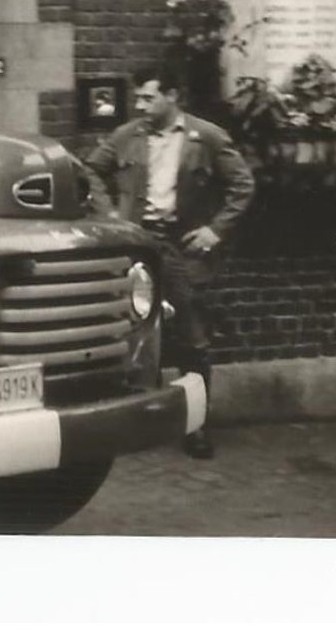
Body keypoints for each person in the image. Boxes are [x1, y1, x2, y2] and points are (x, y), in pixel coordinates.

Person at [83, 65, 255, 460]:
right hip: (136, 245)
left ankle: (196, 426)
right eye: (138, 98)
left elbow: (243, 184)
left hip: (182, 247)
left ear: (173, 96)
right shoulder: (127, 136)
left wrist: (214, 230)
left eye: (149, 97)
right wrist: (110, 215)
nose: (141, 105)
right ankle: (132, 422)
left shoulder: (205, 136)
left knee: (193, 337)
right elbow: (90, 169)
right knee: (129, 327)